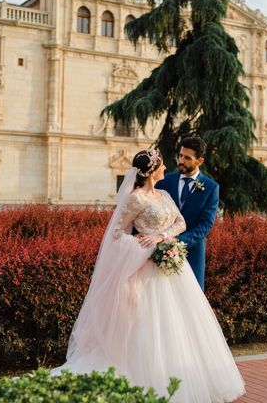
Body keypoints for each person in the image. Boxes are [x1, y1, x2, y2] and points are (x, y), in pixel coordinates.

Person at [53, 149, 245, 403]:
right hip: (145, 267)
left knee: (181, 321)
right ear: (152, 171)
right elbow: (117, 234)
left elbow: (181, 223)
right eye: (162, 165)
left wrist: (163, 238)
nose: (167, 168)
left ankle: (186, 373)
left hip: (173, 265)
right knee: (148, 322)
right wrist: (142, 246)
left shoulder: (164, 193)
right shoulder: (135, 199)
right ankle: (146, 376)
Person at [156, 136, 219, 291]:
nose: (181, 161)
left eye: (187, 158)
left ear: (200, 161)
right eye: (180, 156)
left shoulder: (211, 187)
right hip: (161, 252)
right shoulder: (165, 181)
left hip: (192, 254)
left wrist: (176, 242)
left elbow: (205, 225)